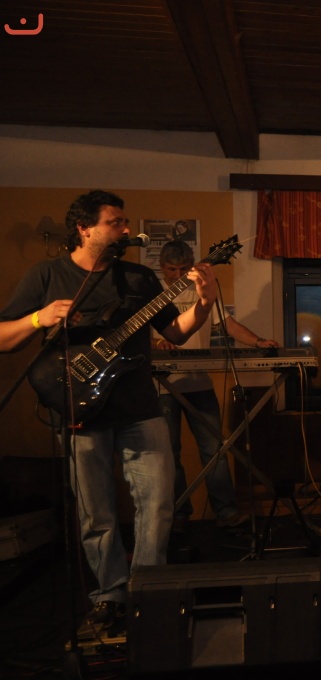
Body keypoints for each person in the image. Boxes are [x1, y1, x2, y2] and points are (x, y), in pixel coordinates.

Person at [0, 190, 218, 637]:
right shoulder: (47, 274)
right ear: (84, 229)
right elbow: (4, 337)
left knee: (157, 504)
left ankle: (148, 589)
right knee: (95, 513)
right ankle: (110, 595)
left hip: (139, 408)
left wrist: (204, 303)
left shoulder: (138, 277)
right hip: (79, 411)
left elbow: (175, 333)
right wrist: (39, 319)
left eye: (124, 222)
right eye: (115, 222)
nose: (125, 229)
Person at [153, 240, 279, 534]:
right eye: (172, 270)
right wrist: (158, 343)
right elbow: (140, 334)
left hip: (199, 384)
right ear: (162, 268)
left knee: (215, 450)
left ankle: (226, 512)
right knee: (168, 453)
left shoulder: (202, 290)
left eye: (184, 269)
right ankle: (179, 514)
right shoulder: (154, 293)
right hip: (162, 387)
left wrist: (258, 341)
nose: (178, 275)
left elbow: (228, 324)